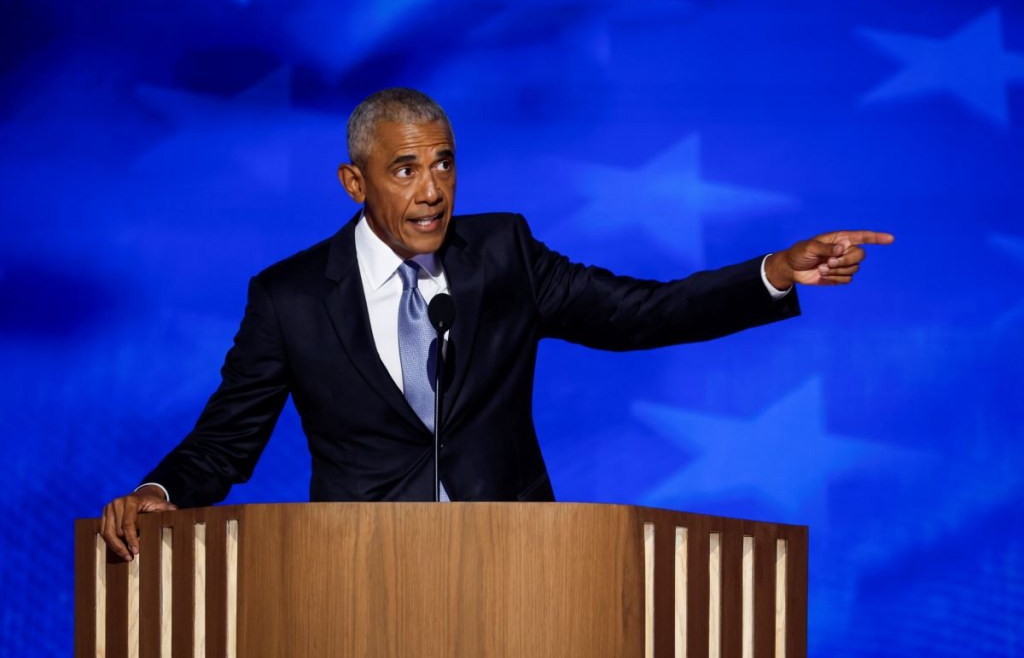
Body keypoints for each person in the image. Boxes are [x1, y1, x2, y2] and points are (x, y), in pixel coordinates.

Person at [101, 88, 893, 561]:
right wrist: (160, 490)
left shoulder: (502, 253)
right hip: (357, 577)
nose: (432, 189)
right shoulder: (291, 297)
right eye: (405, 169)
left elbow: (640, 314)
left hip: (521, 569)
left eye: (443, 162)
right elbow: (227, 440)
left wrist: (776, 272)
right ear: (354, 182)